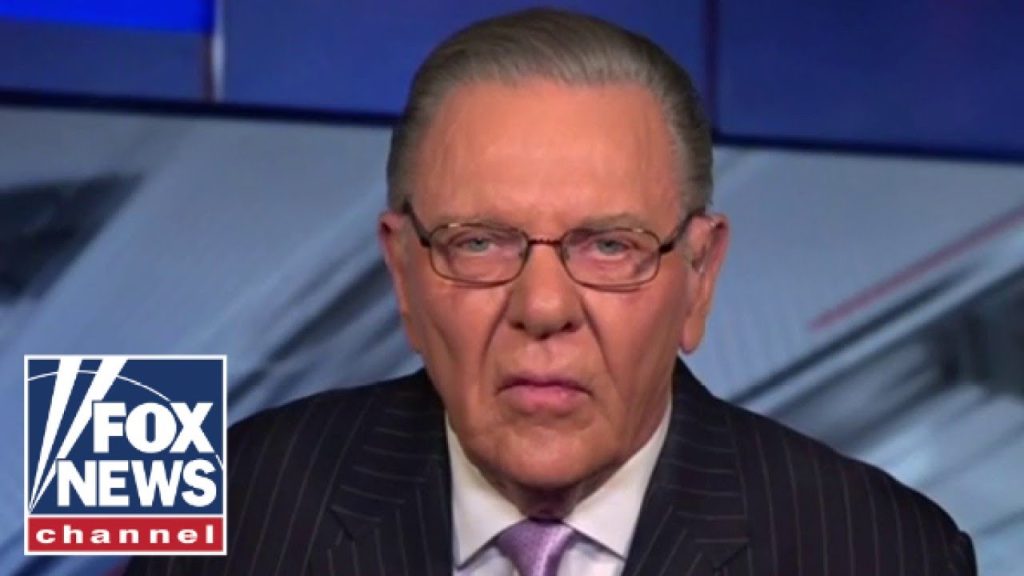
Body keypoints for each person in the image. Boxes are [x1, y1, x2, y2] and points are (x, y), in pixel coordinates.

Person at [127, 8, 976, 576]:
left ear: (699, 277)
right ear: (404, 271)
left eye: (610, 246)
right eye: (479, 242)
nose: (542, 308)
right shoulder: (227, 510)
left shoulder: (883, 551)